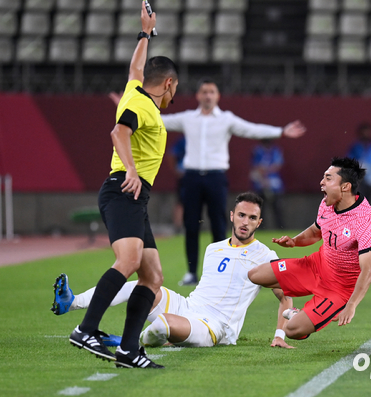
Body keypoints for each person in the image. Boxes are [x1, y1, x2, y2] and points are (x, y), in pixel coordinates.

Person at [67, 3, 178, 369]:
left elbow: (134, 67)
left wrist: (145, 32)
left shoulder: (134, 88)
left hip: (134, 196)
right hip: (124, 189)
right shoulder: (144, 108)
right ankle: (86, 329)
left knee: (153, 276)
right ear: (169, 84)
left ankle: (129, 350)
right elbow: (118, 132)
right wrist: (130, 169)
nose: (173, 96)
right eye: (174, 90)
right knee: (129, 262)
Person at [52, 192, 295, 349]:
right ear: (232, 216)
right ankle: (72, 302)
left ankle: (128, 343)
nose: (245, 222)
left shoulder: (264, 255)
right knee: (142, 286)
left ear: (259, 222)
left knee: (163, 325)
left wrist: (279, 336)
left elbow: (285, 295)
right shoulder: (214, 248)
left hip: (215, 325)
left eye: (252, 218)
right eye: (241, 215)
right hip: (187, 306)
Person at [161, 78, 306, 286]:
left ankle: (220, 271)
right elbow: (159, 121)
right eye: (204, 92)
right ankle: (191, 272)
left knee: (219, 225)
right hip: (191, 176)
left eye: (212, 92)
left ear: (217, 96)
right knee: (191, 225)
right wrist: (129, 107)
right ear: (198, 96)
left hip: (216, 176)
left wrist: (281, 131)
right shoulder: (187, 118)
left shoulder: (226, 119)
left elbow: (251, 129)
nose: (208, 95)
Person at [247, 157, 371, 340]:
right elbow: (316, 231)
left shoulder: (365, 219)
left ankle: (302, 315)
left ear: (345, 186)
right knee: (255, 275)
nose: (322, 182)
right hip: (315, 266)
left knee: (291, 330)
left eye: (328, 178)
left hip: (338, 290)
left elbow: (368, 269)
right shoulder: (327, 203)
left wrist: (351, 305)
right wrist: (295, 241)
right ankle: (304, 311)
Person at [250, 139, 285, 229]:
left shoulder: (275, 151)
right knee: (261, 208)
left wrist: (266, 170)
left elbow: (277, 165)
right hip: (261, 183)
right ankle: (261, 228)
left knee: (277, 207)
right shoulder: (257, 151)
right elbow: (255, 166)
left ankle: (280, 227)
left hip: (273, 183)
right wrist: (262, 177)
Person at [346, 123, 371, 206]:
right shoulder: (354, 147)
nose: (366, 134)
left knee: (370, 200)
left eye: (368, 132)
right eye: (364, 132)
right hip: (359, 179)